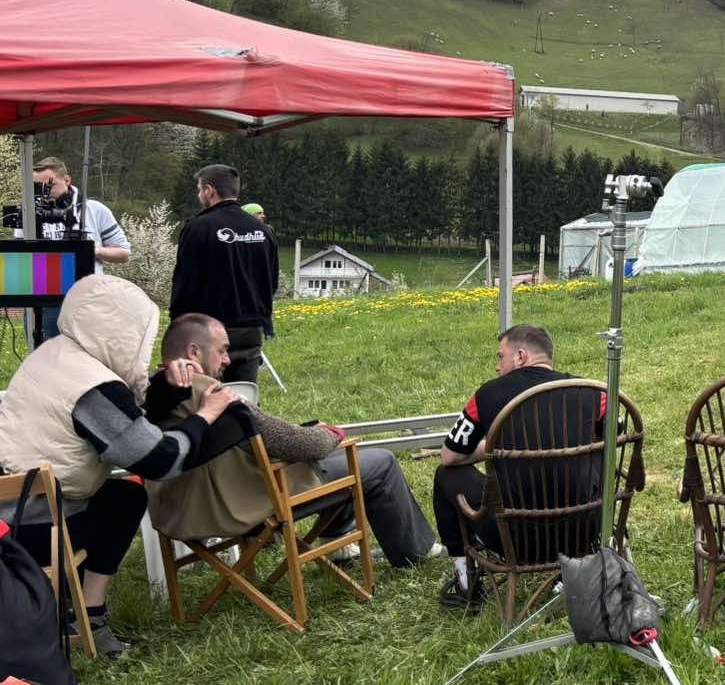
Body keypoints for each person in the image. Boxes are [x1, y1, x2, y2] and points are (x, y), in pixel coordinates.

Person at [0, 275, 247, 655]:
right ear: (121, 332)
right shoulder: (94, 389)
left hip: (11, 510)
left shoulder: (55, 355)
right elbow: (159, 461)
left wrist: (166, 383)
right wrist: (206, 416)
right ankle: (87, 615)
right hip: (32, 528)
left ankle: (75, 605)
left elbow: (124, 417)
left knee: (121, 495)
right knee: (128, 499)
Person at [143, 314, 436, 569]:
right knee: (376, 461)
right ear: (194, 351)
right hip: (243, 503)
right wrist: (330, 433)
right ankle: (416, 552)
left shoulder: (152, 395)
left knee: (328, 462)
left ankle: (338, 544)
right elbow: (294, 444)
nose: (227, 360)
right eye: (222, 350)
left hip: (178, 510)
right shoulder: (215, 397)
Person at [433, 325, 603, 612]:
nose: (496, 366)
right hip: (583, 532)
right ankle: (570, 573)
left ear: (521, 356)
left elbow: (449, 456)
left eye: (501, 356)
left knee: (445, 475)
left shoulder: (487, 395)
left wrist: (492, 447)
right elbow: (614, 442)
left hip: (510, 535)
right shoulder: (593, 392)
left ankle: (466, 583)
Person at [170, 164, 278, 384]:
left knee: (206, 394)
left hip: (208, 331)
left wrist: (178, 327)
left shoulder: (198, 229)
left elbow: (185, 284)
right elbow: (272, 281)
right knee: (244, 396)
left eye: (200, 189)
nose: (199, 195)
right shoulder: (263, 231)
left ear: (209, 190)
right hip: (251, 328)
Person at [27, 157, 131, 348]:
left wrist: (91, 250)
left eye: (50, 185)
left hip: (88, 298)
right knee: (48, 357)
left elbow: (124, 253)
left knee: (87, 357)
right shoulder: (29, 214)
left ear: (67, 180)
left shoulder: (94, 210)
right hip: (46, 299)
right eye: (38, 187)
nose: (45, 193)